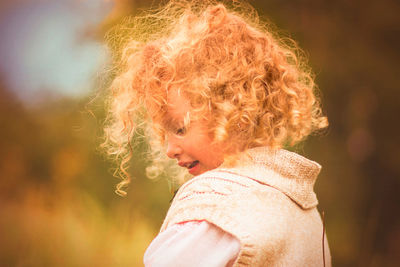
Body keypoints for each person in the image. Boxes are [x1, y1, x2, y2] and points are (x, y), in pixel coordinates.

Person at [103, 0, 331, 266]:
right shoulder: (306, 212)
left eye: (180, 128)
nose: (169, 149)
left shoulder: (215, 209)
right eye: (164, 134)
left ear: (236, 115)